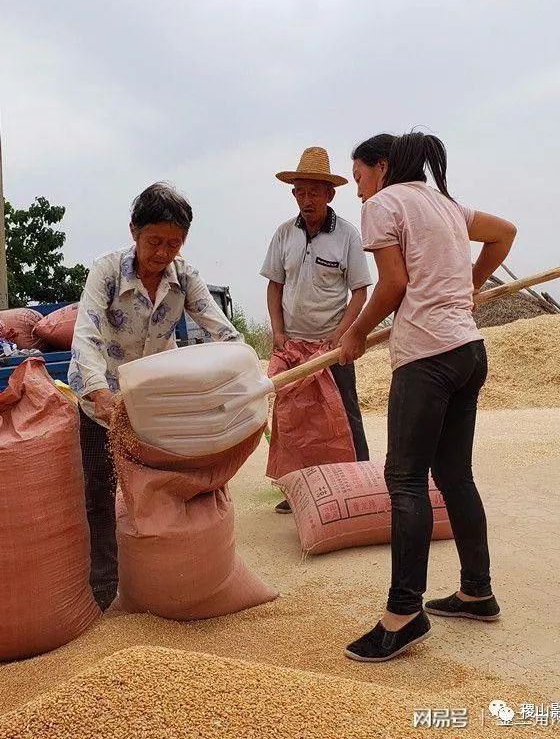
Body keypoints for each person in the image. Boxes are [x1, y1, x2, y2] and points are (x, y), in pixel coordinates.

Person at [339, 132, 517, 662]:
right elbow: (505, 233)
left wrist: (355, 334)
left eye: (359, 178)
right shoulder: (446, 205)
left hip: (427, 358)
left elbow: (391, 285)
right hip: (468, 352)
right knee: (455, 475)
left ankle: (403, 613)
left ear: (382, 167)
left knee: (406, 480)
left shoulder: (385, 204)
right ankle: (476, 591)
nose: (359, 192)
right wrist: (468, 286)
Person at [68, 182, 241, 610]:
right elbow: (86, 336)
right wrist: (98, 394)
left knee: (163, 486)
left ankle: (164, 579)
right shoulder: (106, 271)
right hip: (100, 400)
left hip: (154, 401)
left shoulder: (185, 277)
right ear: (134, 232)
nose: (163, 253)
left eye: (174, 243)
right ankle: (105, 588)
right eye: (155, 241)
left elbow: (221, 330)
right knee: (100, 492)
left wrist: (242, 371)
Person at [261, 147, 372, 512]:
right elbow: (274, 285)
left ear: (330, 194)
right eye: (301, 192)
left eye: (314, 192)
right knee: (295, 419)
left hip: (332, 345)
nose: (306, 199)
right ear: (293, 193)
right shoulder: (283, 234)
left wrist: (342, 334)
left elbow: (360, 290)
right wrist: (278, 333)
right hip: (293, 345)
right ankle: (298, 491)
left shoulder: (347, 235)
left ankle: (360, 483)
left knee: (342, 413)